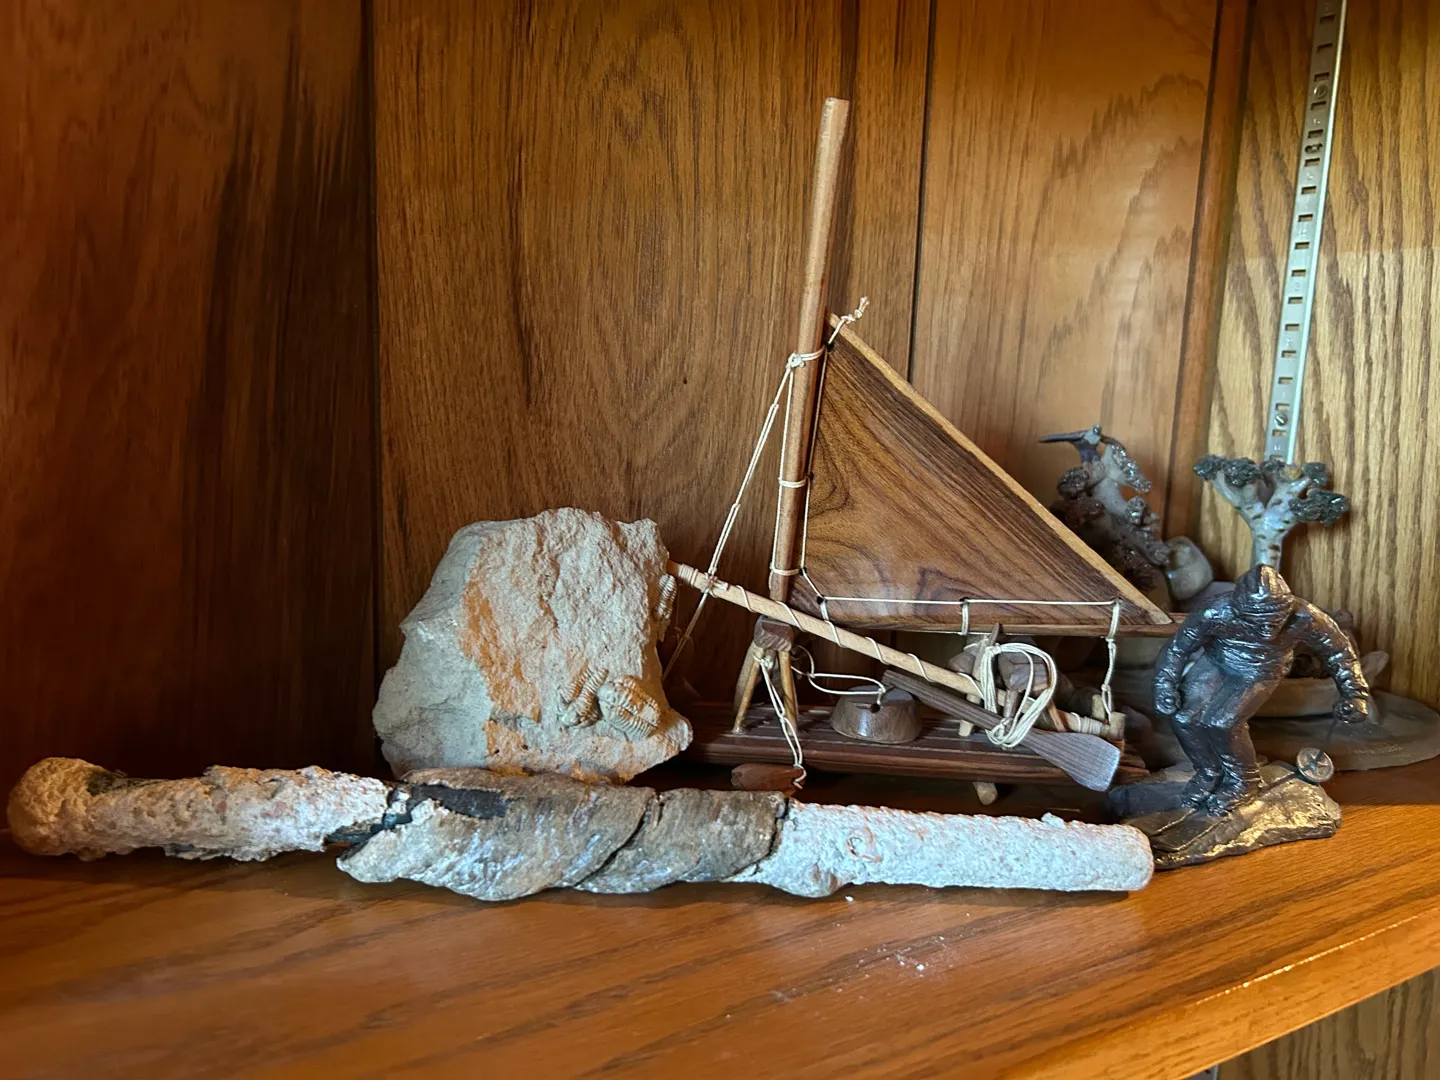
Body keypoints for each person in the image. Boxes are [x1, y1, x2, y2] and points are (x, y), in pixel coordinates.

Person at [1154, 563, 1371, 816]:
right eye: (1258, 623)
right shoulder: (1215, 611)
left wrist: (1355, 693)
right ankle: (1208, 772)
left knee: (1223, 722)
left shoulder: (1305, 616)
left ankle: (1244, 781)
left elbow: (1338, 651)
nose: (1268, 632)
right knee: (1183, 717)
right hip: (1217, 661)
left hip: (1263, 669)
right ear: (1238, 610)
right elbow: (1178, 648)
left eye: (1275, 621)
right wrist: (1164, 684)